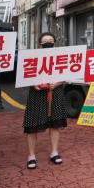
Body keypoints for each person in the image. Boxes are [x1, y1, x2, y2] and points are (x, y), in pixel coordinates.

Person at [22, 32, 67, 169]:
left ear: (55, 43)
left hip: (55, 93)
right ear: (40, 44)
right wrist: (33, 84)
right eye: (45, 40)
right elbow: (25, 74)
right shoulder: (32, 57)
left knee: (55, 124)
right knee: (32, 126)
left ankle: (54, 152)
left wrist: (57, 84)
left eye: (51, 40)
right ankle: (31, 156)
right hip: (37, 94)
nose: (48, 42)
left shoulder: (61, 57)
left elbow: (67, 74)